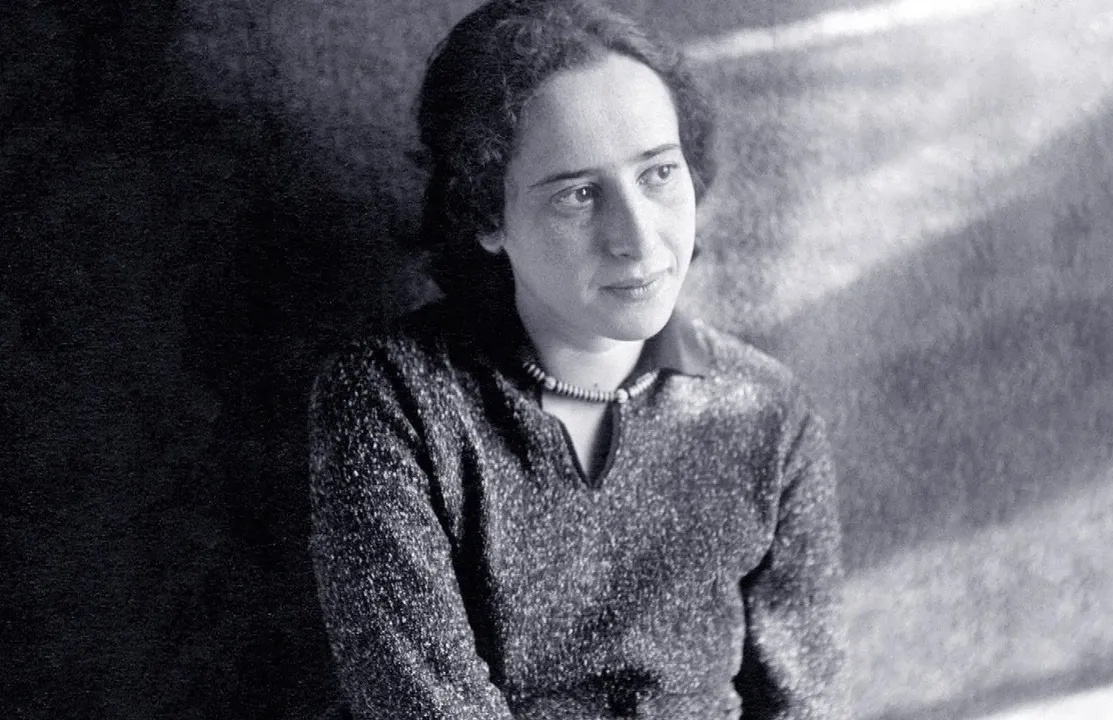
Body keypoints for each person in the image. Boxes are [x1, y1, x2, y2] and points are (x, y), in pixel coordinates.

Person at [306, 0, 847, 717]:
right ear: (486, 217)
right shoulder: (394, 399)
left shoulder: (768, 411)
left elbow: (804, 702)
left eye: (659, 174)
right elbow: (421, 703)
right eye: (580, 195)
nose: (639, 238)